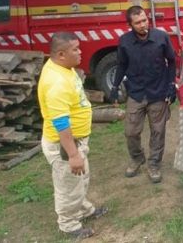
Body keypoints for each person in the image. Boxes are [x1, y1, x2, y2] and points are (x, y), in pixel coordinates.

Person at [38, 32, 108, 239]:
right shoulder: (56, 82)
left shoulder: (63, 68)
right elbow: (61, 123)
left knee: (80, 179)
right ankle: (69, 225)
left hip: (75, 143)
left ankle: (83, 209)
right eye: (75, 49)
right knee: (68, 186)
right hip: (65, 145)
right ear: (61, 54)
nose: (80, 52)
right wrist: (73, 154)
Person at [110, 5, 177, 183]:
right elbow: (122, 65)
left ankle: (154, 164)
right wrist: (115, 86)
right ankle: (137, 158)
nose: (142, 25)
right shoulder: (124, 41)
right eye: (138, 22)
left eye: (144, 20)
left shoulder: (161, 37)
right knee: (131, 132)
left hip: (158, 92)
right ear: (130, 25)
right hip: (136, 93)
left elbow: (171, 61)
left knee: (158, 131)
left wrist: (172, 84)